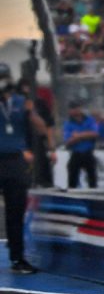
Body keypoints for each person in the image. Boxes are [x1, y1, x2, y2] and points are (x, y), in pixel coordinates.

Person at [0, 65, 46, 272]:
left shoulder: (20, 102)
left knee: (16, 210)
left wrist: (31, 111)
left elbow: (40, 127)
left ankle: (17, 258)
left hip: (15, 160)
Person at [60, 101, 101, 190]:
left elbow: (95, 133)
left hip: (88, 153)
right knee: (72, 181)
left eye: (77, 108)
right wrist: (85, 135)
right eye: (72, 108)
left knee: (92, 180)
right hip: (76, 153)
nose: (75, 110)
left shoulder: (89, 119)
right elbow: (68, 141)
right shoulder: (68, 123)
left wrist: (78, 136)